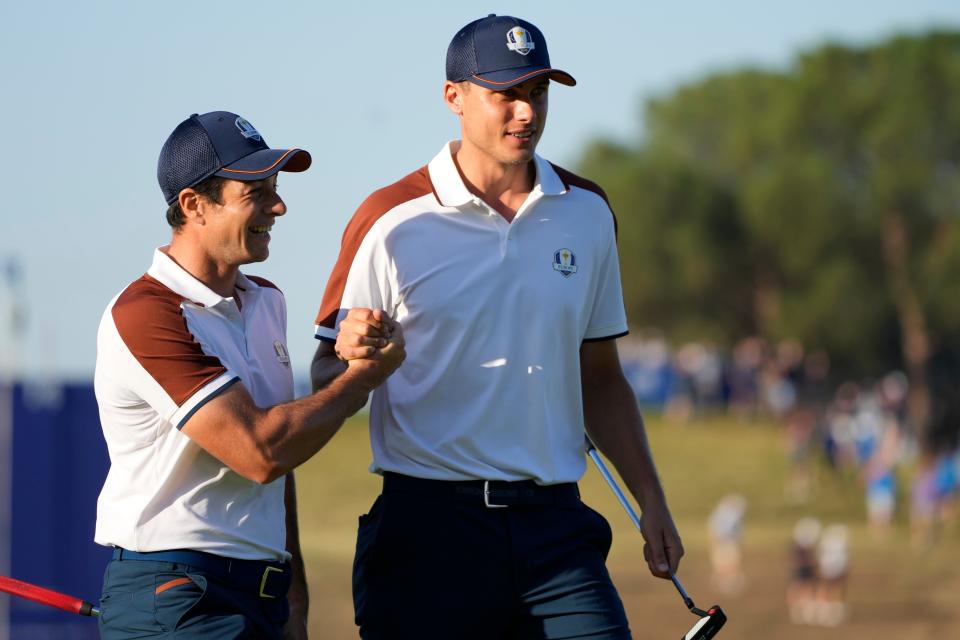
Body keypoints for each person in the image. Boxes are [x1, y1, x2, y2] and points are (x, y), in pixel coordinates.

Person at [311, 15, 683, 639]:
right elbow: (325, 371)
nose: (525, 112)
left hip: (557, 530)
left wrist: (653, 500)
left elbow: (601, 378)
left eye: (537, 93)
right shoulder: (389, 218)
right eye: (505, 94)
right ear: (453, 97)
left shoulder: (588, 211)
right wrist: (352, 356)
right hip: (426, 529)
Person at [93, 111, 405, 639]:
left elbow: (279, 467)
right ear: (194, 205)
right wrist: (364, 379)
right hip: (177, 595)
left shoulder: (266, 301)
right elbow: (260, 452)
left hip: (257, 592)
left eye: (275, 189)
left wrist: (295, 597)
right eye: (255, 192)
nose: (278, 206)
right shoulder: (147, 313)